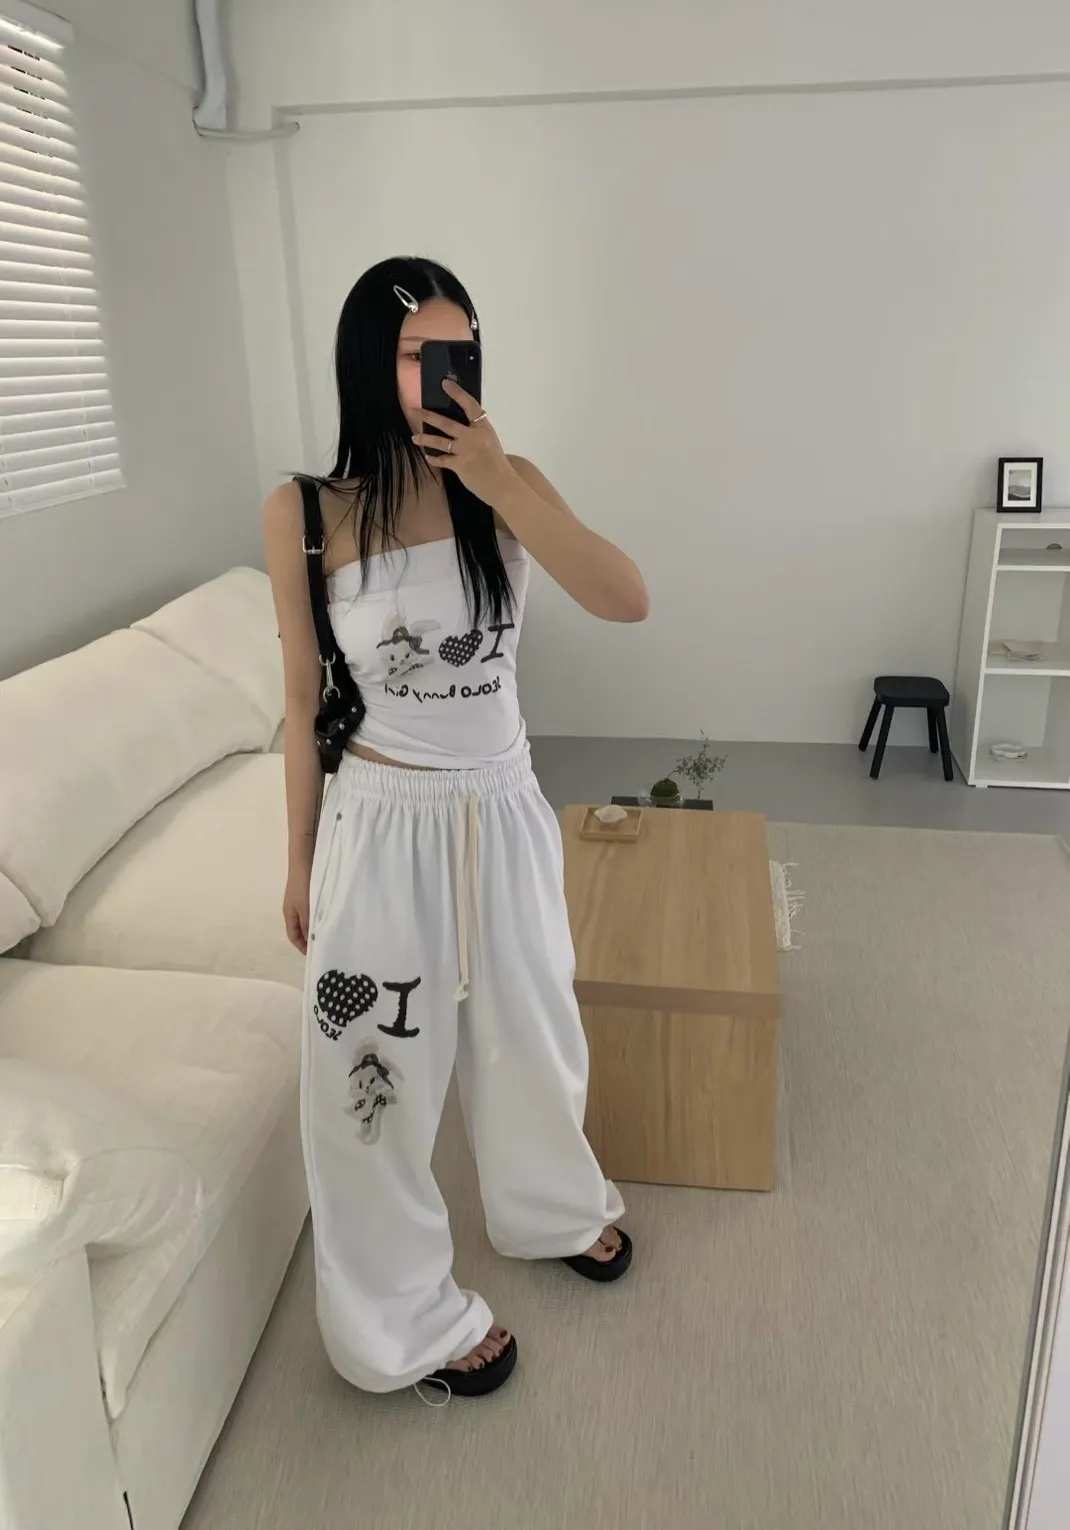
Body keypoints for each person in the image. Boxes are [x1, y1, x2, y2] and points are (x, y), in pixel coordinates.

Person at [262, 255, 650, 1399]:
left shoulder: (506, 480)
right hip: (380, 825)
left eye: (458, 349)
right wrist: (298, 858)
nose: (441, 371)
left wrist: (499, 484)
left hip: (503, 806)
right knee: (371, 1079)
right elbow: (300, 697)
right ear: (363, 364)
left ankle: (548, 1207)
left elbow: (624, 597)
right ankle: (396, 1322)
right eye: (413, 352)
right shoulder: (304, 511)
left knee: (534, 1029)